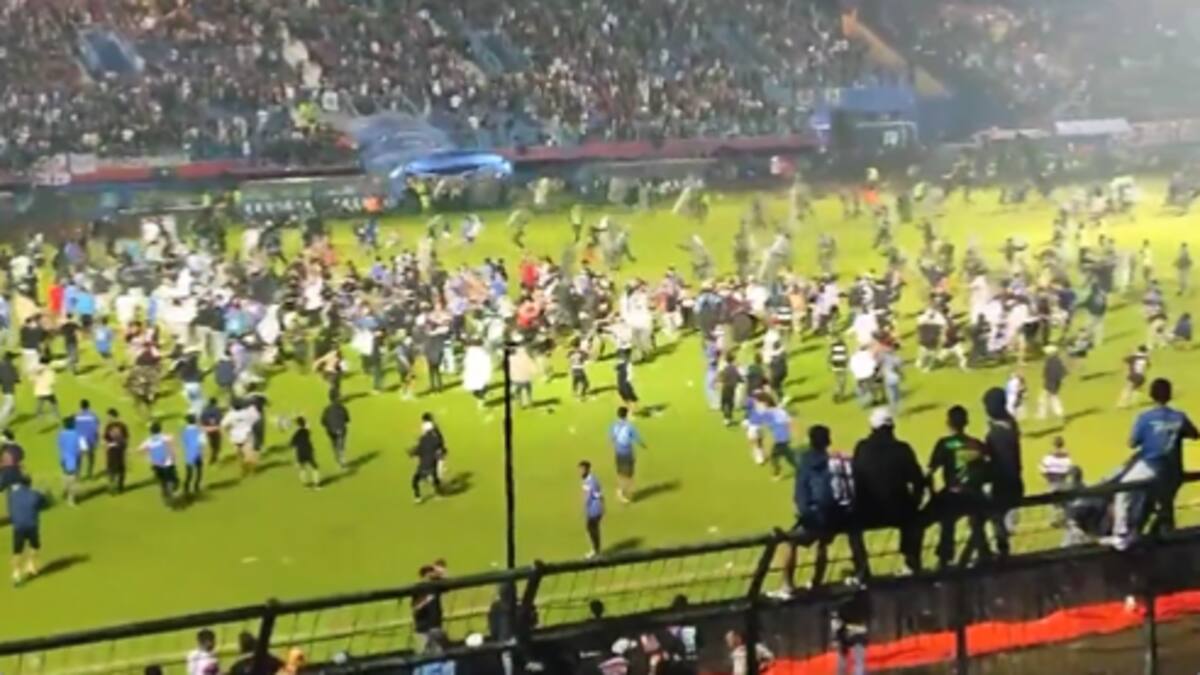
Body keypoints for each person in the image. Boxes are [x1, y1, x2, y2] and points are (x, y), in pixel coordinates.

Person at [1108, 378, 1199, 550]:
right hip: (1173, 470)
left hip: (1151, 465)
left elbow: (1132, 443)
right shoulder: (1179, 417)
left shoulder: (1145, 418)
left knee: (1123, 489)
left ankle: (1121, 533)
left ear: (1151, 395)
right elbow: (1195, 434)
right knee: (1165, 504)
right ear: (1170, 395)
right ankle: (1166, 536)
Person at [777, 425, 868, 596]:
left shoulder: (805, 463)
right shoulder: (836, 461)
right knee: (832, 541)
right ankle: (851, 575)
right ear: (828, 441)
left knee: (790, 542)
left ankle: (787, 586)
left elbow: (801, 495)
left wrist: (805, 514)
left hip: (818, 516)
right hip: (840, 514)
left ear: (811, 441)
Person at [851, 408, 926, 575]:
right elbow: (919, 481)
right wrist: (914, 503)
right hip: (899, 510)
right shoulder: (902, 449)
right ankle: (912, 562)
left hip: (867, 511)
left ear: (872, 427)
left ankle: (862, 568)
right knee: (915, 520)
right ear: (892, 427)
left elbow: (855, 479)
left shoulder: (861, 448)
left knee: (851, 527)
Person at [927, 405, 992, 569]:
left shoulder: (945, 444)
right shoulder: (976, 444)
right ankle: (983, 552)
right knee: (977, 523)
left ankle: (944, 559)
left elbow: (930, 471)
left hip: (953, 494)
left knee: (946, 524)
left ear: (948, 423)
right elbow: (987, 471)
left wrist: (932, 493)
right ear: (966, 422)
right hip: (974, 495)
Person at [983, 387, 1023, 560]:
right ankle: (1001, 551)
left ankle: (1000, 554)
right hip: (1014, 482)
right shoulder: (1011, 425)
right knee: (998, 520)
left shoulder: (995, 435)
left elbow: (995, 461)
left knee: (992, 519)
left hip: (1003, 484)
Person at [8, 474, 45, 586]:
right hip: (31, 524)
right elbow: (42, 502)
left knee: (17, 551)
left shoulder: (13, 495)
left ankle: (16, 573)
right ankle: (30, 565)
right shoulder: (34, 494)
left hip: (18, 526)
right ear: (30, 483)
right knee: (35, 545)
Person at [609, 406, 647, 503]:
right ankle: (622, 492)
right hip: (627, 453)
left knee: (621, 473)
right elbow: (636, 438)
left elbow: (611, 438)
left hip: (619, 453)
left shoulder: (614, 425)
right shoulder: (629, 427)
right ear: (626, 415)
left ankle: (621, 491)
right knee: (628, 474)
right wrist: (643, 445)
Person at [141, 422, 180, 506]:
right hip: (168, 464)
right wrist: (174, 457)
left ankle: (166, 496)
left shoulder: (149, 440)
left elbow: (140, 450)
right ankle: (171, 493)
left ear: (151, 431)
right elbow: (172, 446)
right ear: (160, 429)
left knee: (163, 481)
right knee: (174, 480)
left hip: (157, 465)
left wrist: (148, 457)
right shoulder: (165, 437)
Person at [411, 414, 445, 503]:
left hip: (423, 466)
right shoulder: (435, 438)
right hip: (432, 463)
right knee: (435, 477)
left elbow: (418, 450)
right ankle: (438, 492)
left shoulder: (423, 439)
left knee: (415, 481)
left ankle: (417, 497)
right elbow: (440, 443)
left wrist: (412, 452)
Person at [222, 401, 261, 477]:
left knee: (239, 455)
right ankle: (252, 471)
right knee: (249, 454)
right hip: (247, 435)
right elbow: (257, 418)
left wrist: (228, 433)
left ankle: (243, 470)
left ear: (233, 407)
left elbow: (224, 425)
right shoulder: (247, 413)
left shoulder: (230, 415)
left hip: (235, 437)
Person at [57, 417, 85, 506]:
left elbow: (60, 445)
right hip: (74, 459)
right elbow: (83, 448)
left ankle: (65, 491)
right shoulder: (78, 434)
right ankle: (71, 500)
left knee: (65, 476)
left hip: (64, 458)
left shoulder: (61, 434)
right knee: (73, 479)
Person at [580, 460, 604, 559]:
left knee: (592, 529)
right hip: (595, 508)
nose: (580, 471)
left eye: (582, 469)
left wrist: (585, 506)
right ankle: (596, 550)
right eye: (580, 469)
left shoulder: (590, 481)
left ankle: (596, 551)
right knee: (592, 529)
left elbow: (588, 496)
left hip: (594, 509)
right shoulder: (591, 479)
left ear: (587, 469)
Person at [320, 393, 351, 469]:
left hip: (331, 430)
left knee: (334, 444)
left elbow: (322, 421)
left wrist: (328, 425)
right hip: (341, 429)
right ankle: (342, 459)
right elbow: (347, 419)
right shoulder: (342, 408)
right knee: (341, 443)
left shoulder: (327, 409)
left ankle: (338, 459)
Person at [290, 417, 321, 489]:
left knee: (302, 468)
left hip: (300, 452)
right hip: (308, 451)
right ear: (304, 423)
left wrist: (295, 459)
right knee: (315, 468)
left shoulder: (295, 434)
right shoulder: (306, 431)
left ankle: (305, 484)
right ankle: (316, 485)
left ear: (297, 425)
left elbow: (292, 445)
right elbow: (308, 427)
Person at [1038, 345, 1068, 422]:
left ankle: (1043, 415)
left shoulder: (1052, 361)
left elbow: (1049, 372)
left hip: (1051, 383)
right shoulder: (1055, 360)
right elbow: (1063, 371)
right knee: (1051, 398)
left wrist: (1046, 377)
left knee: (1049, 398)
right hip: (1052, 383)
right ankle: (1058, 414)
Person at [103, 409, 129, 494]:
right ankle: (120, 487)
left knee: (111, 469)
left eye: (108, 416)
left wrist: (107, 447)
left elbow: (106, 439)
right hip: (120, 450)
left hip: (112, 450)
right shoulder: (122, 425)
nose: (107, 418)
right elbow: (126, 438)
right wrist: (124, 448)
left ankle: (112, 486)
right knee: (121, 468)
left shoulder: (109, 426)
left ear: (111, 416)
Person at [75, 399, 101, 479]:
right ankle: (90, 473)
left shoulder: (77, 415)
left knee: (79, 457)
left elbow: (74, 427)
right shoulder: (93, 414)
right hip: (90, 438)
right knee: (90, 457)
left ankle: (78, 474)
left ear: (80, 406)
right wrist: (97, 438)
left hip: (81, 439)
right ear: (88, 406)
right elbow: (97, 426)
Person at [180, 415, 206, 496]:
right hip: (197, 453)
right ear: (195, 420)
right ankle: (196, 486)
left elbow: (184, 442)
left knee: (189, 473)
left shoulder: (184, 431)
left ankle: (186, 488)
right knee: (199, 470)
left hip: (189, 454)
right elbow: (203, 443)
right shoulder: (200, 430)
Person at [200, 398, 223, 464]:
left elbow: (202, 419)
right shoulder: (216, 409)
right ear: (215, 403)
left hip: (207, 429)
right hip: (215, 428)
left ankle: (214, 457)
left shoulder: (204, 409)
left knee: (212, 443)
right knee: (217, 444)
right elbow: (220, 418)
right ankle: (214, 458)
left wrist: (204, 426)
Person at [0, 352, 19, 426]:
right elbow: (16, 378)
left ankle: (5, 420)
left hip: (4, 387)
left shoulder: (1, 365)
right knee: (8, 405)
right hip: (9, 387)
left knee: (11, 405)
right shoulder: (11, 366)